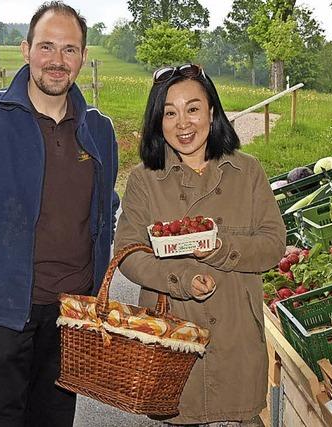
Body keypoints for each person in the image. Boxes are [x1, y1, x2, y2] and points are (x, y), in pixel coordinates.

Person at [0, 2, 120, 425]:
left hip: (70, 319)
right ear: (25, 49)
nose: (57, 60)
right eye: (47, 46)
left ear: (83, 58)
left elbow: (106, 210)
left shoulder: (99, 130)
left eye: (70, 50)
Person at [114, 64, 286, 426]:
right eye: (169, 113)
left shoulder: (248, 171)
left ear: (211, 112)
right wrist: (181, 278)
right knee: (181, 413)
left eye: (193, 108)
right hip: (174, 340)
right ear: (157, 121)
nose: (183, 123)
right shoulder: (145, 180)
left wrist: (222, 249)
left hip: (237, 339)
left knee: (243, 414)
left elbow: (273, 245)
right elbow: (128, 252)